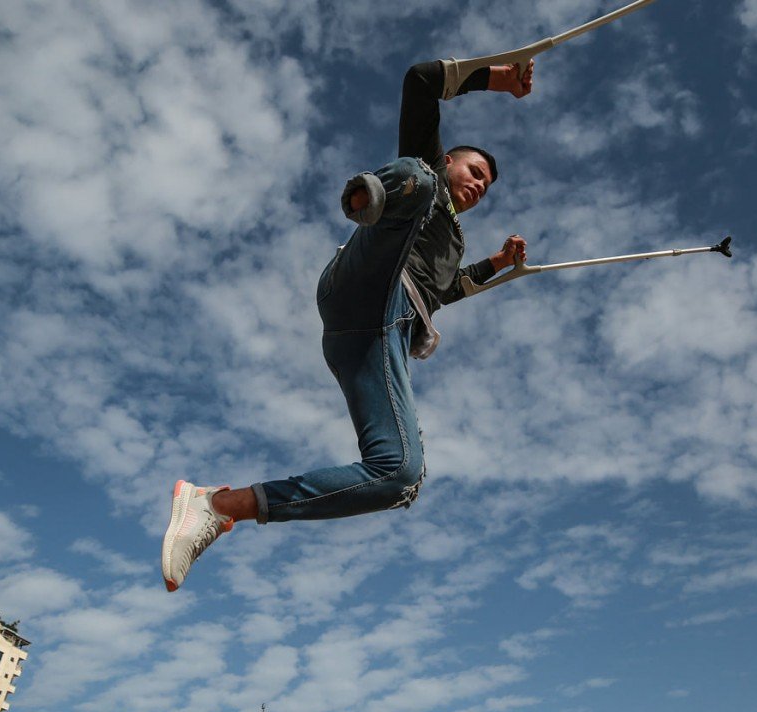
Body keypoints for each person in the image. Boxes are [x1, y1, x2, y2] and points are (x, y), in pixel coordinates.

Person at [162, 57, 536, 592]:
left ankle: (220, 506)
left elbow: (445, 291)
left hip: (381, 335)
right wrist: (497, 79)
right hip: (364, 279)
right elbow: (420, 81)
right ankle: (370, 197)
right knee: (416, 178)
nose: (479, 186)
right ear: (452, 158)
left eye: (487, 187)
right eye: (475, 172)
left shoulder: (455, 241)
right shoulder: (433, 168)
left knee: (400, 475)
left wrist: (499, 265)